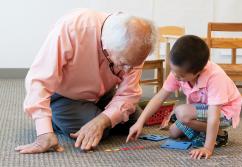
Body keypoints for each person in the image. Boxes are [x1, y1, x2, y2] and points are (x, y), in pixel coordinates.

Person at [15, 9, 157, 154]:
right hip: (65, 96)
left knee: (136, 121)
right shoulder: (72, 29)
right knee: (100, 131)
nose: (128, 71)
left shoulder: (135, 46)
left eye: (133, 65)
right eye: (123, 63)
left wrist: (102, 120)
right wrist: (44, 131)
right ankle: (53, 116)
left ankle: (89, 116)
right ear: (108, 46)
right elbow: (40, 80)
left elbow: (129, 93)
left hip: (103, 94)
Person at [126, 35, 242, 159]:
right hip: (202, 111)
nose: (175, 76)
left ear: (199, 72)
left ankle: (220, 134)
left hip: (224, 113)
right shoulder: (178, 72)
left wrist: (208, 148)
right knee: (174, 131)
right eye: (173, 70)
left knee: (181, 112)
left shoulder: (215, 77)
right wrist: (139, 122)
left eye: (180, 75)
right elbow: (158, 98)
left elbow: (214, 116)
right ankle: (207, 133)